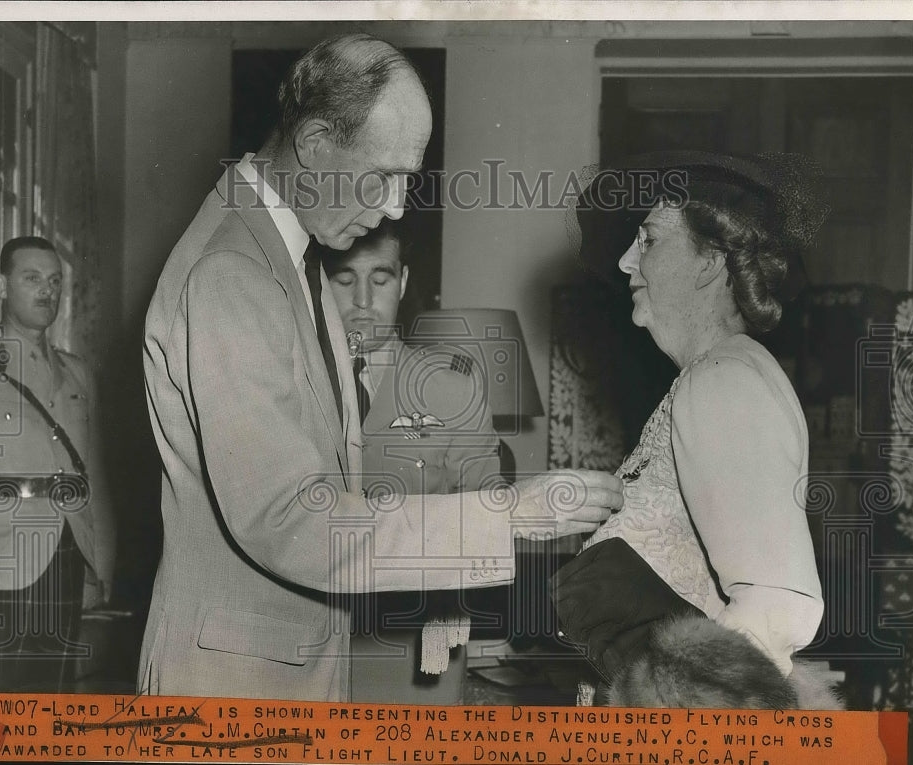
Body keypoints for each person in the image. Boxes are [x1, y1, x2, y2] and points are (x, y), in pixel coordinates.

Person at [140, 33, 622, 701]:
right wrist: (508, 515)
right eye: (384, 176)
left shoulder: (281, 257)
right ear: (313, 145)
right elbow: (289, 518)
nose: (396, 207)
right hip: (236, 682)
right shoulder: (233, 273)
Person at [556, 151, 828, 707]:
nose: (628, 262)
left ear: (709, 261)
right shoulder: (716, 375)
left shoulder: (724, 380)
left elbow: (783, 600)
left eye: (650, 240)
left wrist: (678, 722)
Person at [322, 221, 500, 703]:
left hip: (414, 638)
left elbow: (488, 514)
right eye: (343, 279)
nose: (362, 300)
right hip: (311, 637)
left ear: (401, 283)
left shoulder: (450, 386)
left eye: (379, 280)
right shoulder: (292, 387)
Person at [0, 236, 116, 703]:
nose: (48, 291)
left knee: (52, 702)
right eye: (32, 278)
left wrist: (95, 566)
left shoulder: (77, 373)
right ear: (2, 286)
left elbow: (91, 478)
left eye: (55, 281)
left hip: (63, 559)